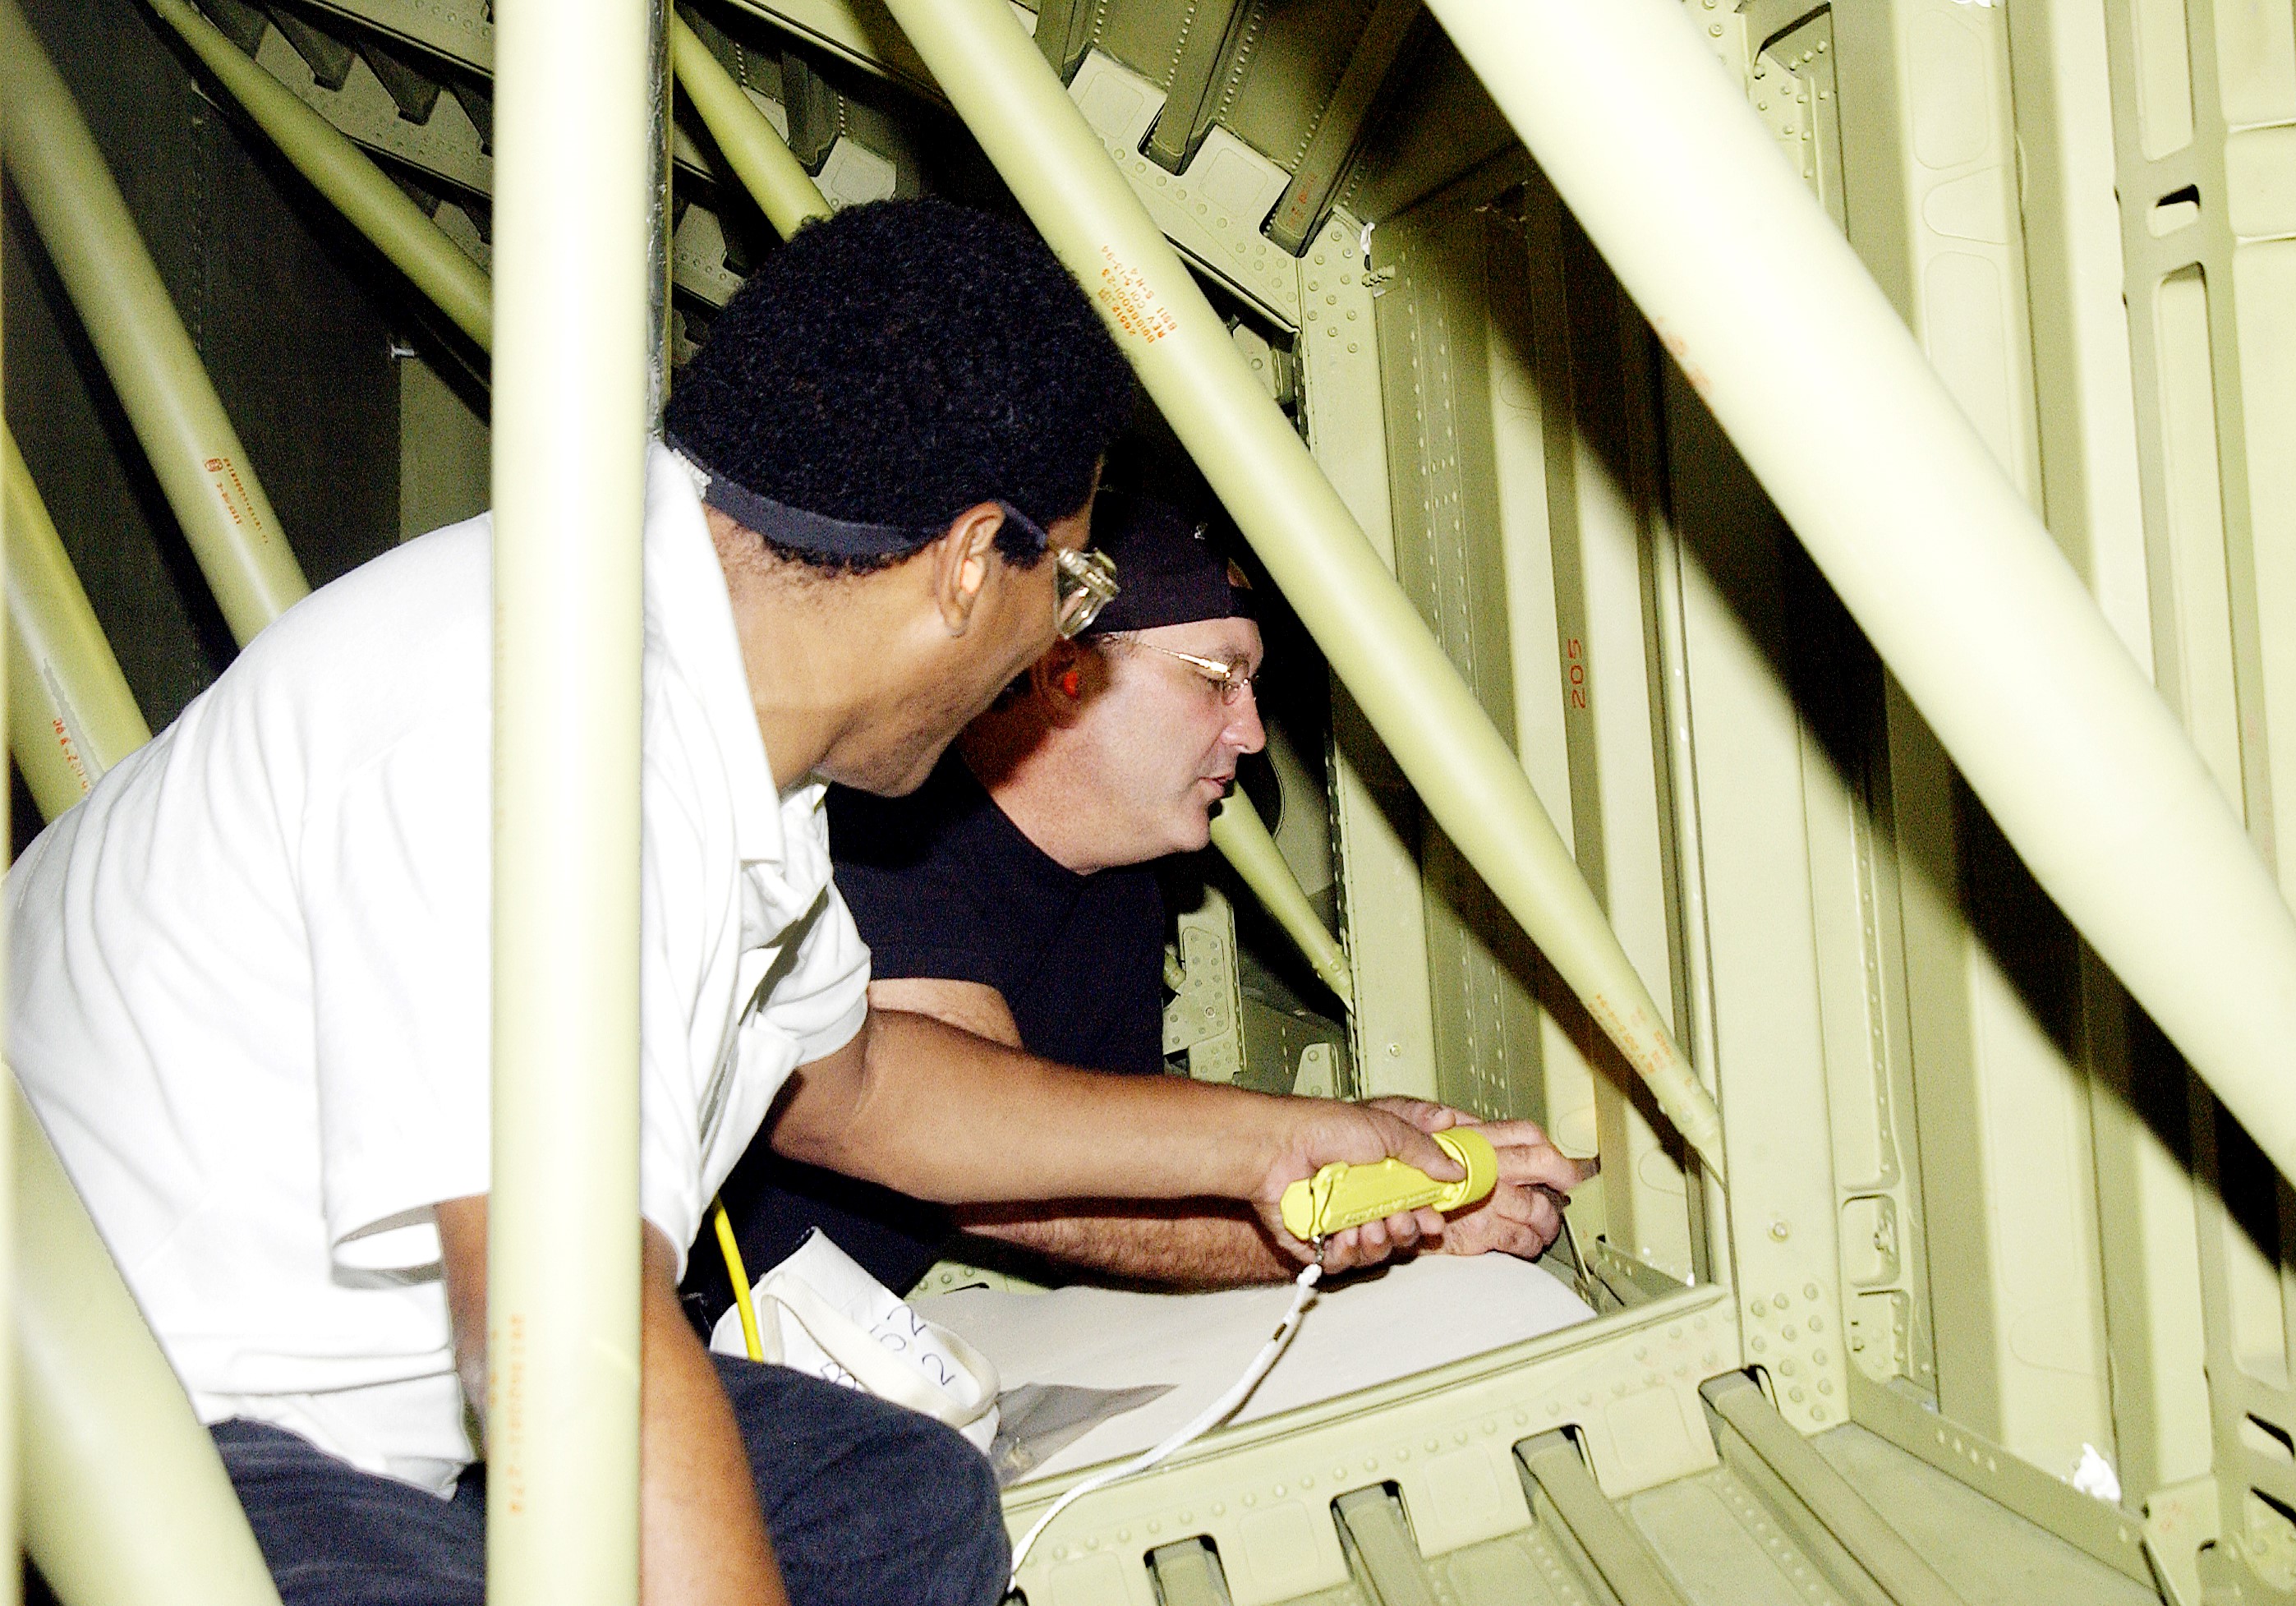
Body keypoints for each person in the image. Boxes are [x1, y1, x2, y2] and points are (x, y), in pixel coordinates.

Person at [6, 199, 1467, 1606]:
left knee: (897, 1505)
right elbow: (568, 1335)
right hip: (157, 1418)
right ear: (972, 561)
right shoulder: (533, 719)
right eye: (1071, 587)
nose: (1054, 645)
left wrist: (1276, 1143)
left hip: (403, 1391)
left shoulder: (718, 712)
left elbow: (862, 1090)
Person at [686, 493, 1595, 1322]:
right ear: (1064, 671)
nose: (1251, 731)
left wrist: (1377, 1166)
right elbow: (999, 1175)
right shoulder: (885, 838)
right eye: (1216, 678)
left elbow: (1122, 1155)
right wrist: (1372, 1205)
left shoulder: (1125, 884)